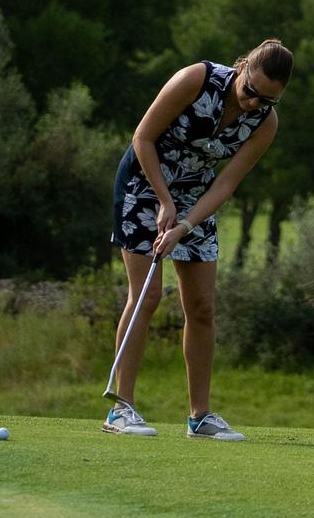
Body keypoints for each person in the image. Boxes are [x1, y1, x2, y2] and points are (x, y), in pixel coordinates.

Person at [103, 38, 290, 442]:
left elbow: (225, 184)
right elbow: (143, 137)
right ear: (241, 68)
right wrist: (164, 202)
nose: (254, 103)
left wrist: (184, 223)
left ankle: (199, 417)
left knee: (202, 307)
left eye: (267, 100)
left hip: (197, 199)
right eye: (250, 91)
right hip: (143, 182)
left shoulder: (265, 123)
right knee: (147, 296)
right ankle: (121, 408)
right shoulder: (196, 78)